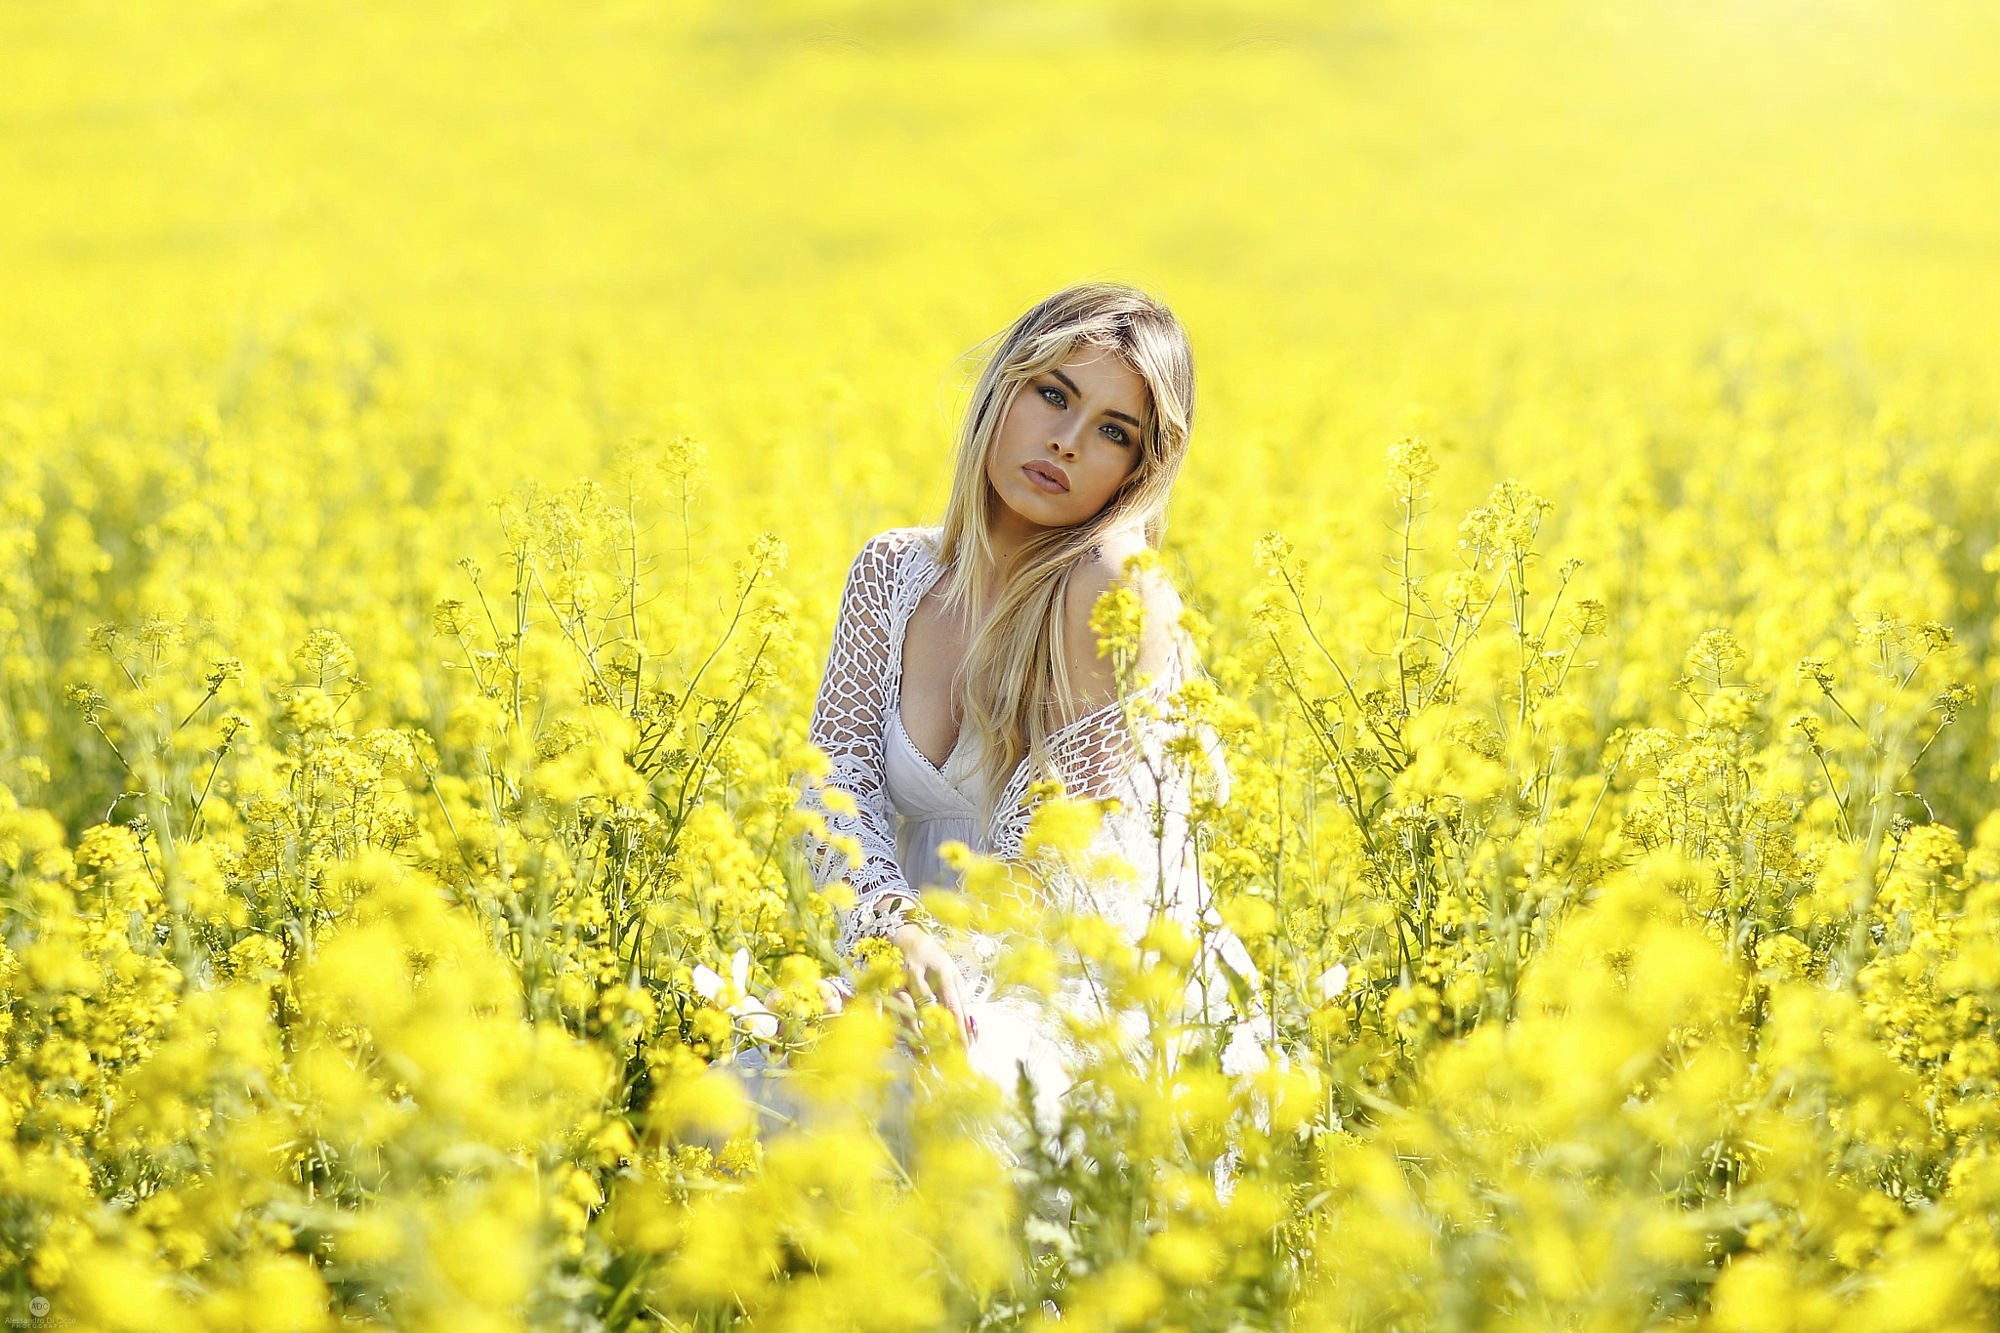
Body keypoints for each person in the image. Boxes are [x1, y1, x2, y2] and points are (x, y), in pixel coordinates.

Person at [783, 281, 1262, 1162]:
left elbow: (1043, 870)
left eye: (1115, 433)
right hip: (919, 962)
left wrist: (926, 985)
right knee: (732, 1114)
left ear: (1139, 470)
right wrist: (889, 934)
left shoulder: (1111, 592)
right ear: (1003, 388)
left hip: (1077, 983)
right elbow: (833, 788)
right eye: (1054, 393)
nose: (1067, 443)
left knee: (930, 1133)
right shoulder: (892, 572)